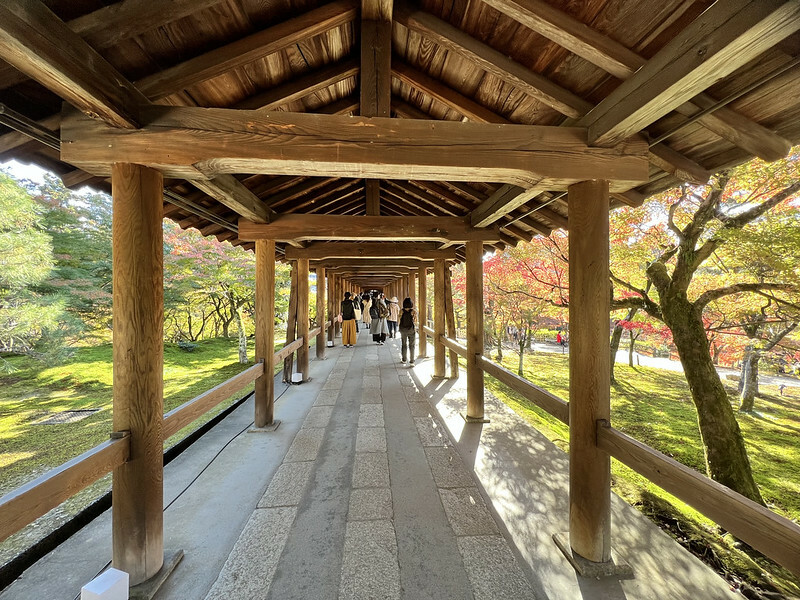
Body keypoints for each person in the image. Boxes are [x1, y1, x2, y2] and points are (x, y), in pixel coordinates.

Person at [398, 297, 417, 364]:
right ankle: (412, 361)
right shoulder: (413, 311)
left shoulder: (401, 311)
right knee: (412, 345)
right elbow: (415, 321)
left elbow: (399, 320)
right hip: (411, 330)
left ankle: (404, 359)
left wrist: (399, 328)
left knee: (404, 344)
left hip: (403, 330)